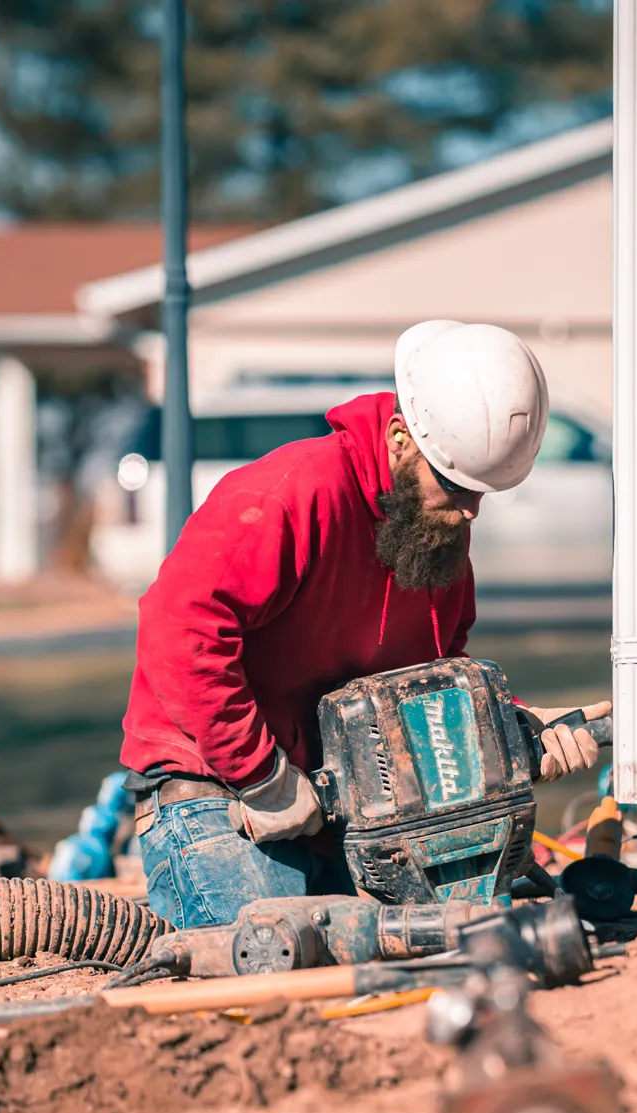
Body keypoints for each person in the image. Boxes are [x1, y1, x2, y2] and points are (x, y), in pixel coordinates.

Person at [121, 319, 609, 929]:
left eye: (484, 493)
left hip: (348, 807)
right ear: (401, 438)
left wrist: (508, 723)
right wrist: (262, 773)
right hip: (218, 787)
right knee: (282, 953)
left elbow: (434, 678)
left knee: (453, 936)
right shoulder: (293, 493)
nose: (470, 510)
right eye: (456, 485)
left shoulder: (431, 531)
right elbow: (181, 630)